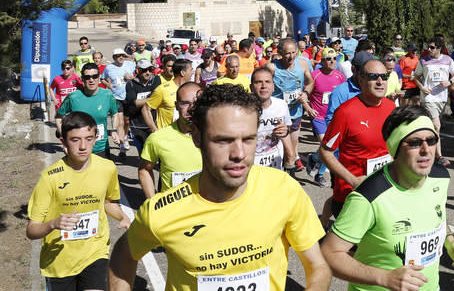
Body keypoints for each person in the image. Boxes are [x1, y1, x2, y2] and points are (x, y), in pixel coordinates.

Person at [108, 84, 332, 290]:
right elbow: (122, 256)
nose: (239, 154)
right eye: (223, 140)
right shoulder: (161, 210)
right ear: (197, 137)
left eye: (248, 139)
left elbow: (318, 266)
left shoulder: (284, 189)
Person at [321, 106, 454, 290]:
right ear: (395, 148)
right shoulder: (369, 196)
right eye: (415, 142)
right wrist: (384, 278)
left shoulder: (440, 177)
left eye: (431, 140)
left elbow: (437, 216)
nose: (426, 150)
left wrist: (451, 242)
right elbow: (329, 253)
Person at [27, 111, 130, 291]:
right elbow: (31, 230)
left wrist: (123, 216)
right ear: (64, 142)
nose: (83, 146)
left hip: (95, 252)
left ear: (96, 138)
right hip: (59, 262)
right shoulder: (49, 178)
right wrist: (53, 224)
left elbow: (106, 202)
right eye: (75, 140)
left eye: (89, 139)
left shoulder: (107, 168)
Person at [319, 59, 396, 221]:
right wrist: (352, 180)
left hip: (382, 188)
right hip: (351, 193)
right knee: (350, 246)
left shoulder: (391, 108)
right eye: (374, 76)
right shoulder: (345, 112)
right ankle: (323, 233)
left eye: (384, 76)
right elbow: (325, 153)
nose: (381, 81)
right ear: (361, 79)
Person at [138, 82, 203, 198]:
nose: (191, 109)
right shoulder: (158, 138)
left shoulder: (214, 136)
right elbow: (144, 170)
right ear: (176, 105)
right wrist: (152, 201)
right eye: (185, 103)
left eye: (196, 103)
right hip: (173, 211)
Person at [266, 38, 314, 172]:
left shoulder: (303, 64)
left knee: (291, 150)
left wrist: (306, 93)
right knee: (277, 147)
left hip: (295, 112)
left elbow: (310, 82)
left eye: (294, 52)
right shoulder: (272, 67)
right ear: (280, 52)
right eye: (287, 53)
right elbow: (260, 83)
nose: (291, 56)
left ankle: (289, 173)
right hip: (277, 114)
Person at [56, 63, 120, 156]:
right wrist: (64, 139)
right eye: (87, 77)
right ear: (82, 79)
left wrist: (114, 130)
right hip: (78, 149)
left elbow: (115, 114)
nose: (91, 80)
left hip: (101, 148)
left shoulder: (107, 95)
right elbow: (58, 117)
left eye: (95, 76)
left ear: (99, 78)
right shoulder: (73, 97)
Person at [305, 48, 347, 186]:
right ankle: (320, 175)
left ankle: (315, 158)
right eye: (328, 59)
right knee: (329, 146)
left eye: (334, 58)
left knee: (331, 146)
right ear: (322, 61)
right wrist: (308, 109)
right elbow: (304, 94)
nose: (332, 61)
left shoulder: (340, 76)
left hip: (334, 117)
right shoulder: (314, 75)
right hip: (318, 116)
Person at [414, 36, 454, 166]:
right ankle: (439, 156)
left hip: (442, 98)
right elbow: (416, 77)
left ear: (439, 48)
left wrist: (449, 82)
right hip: (428, 98)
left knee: (432, 127)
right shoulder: (423, 61)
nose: (429, 49)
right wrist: (422, 87)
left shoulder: (448, 60)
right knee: (437, 126)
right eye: (428, 47)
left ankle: (422, 148)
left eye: (432, 47)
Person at [250, 67, 294, 171]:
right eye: (258, 82)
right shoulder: (243, 110)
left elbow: (287, 131)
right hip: (251, 169)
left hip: (275, 166)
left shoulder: (282, 105)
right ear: (251, 87)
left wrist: (290, 157)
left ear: (273, 87)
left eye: (267, 82)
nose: (264, 86)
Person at [101, 48, 136, 157]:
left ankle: (125, 138)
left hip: (129, 97)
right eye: (117, 56)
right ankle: (122, 147)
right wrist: (108, 85)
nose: (120, 57)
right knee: (119, 122)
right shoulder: (109, 68)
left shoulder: (130, 65)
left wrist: (132, 78)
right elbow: (102, 78)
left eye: (122, 55)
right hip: (117, 97)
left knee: (127, 122)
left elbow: (139, 75)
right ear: (114, 58)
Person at [142, 58, 191, 133]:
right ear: (182, 73)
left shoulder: (190, 89)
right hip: (166, 136)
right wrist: (154, 130)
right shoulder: (163, 89)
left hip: (185, 135)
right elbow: (146, 109)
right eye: (191, 70)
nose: (192, 72)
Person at [123, 59, 161, 154]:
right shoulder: (131, 84)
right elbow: (132, 103)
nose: (148, 73)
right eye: (144, 70)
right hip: (137, 125)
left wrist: (140, 102)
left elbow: (158, 98)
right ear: (138, 71)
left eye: (150, 69)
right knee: (143, 154)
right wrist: (152, 99)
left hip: (154, 122)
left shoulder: (156, 80)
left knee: (157, 151)